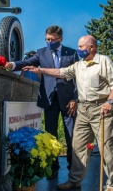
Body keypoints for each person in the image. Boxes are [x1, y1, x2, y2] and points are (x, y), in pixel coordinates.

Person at [23, 35, 113, 191]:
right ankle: (75, 180)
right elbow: (60, 72)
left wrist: (110, 102)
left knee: (107, 147)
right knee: (78, 146)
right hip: (84, 110)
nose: (78, 50)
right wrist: (40, 69)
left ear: (91, 47)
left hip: (101, 109)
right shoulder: (79, 65)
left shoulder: (104, 61)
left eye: (81, 47)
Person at [5, 25, 79, 179]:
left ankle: (73, 168)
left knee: (71, 135)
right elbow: (27, 62)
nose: (49, 42)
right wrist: (12, 65)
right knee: (51, 135)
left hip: (68, 102)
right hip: (49, 99)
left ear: (60, 39)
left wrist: (75, 98)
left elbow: (79, 78)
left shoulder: (72, 54)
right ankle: (53, 167)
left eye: (52, 40)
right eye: (47, 39)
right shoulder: (41, 53)